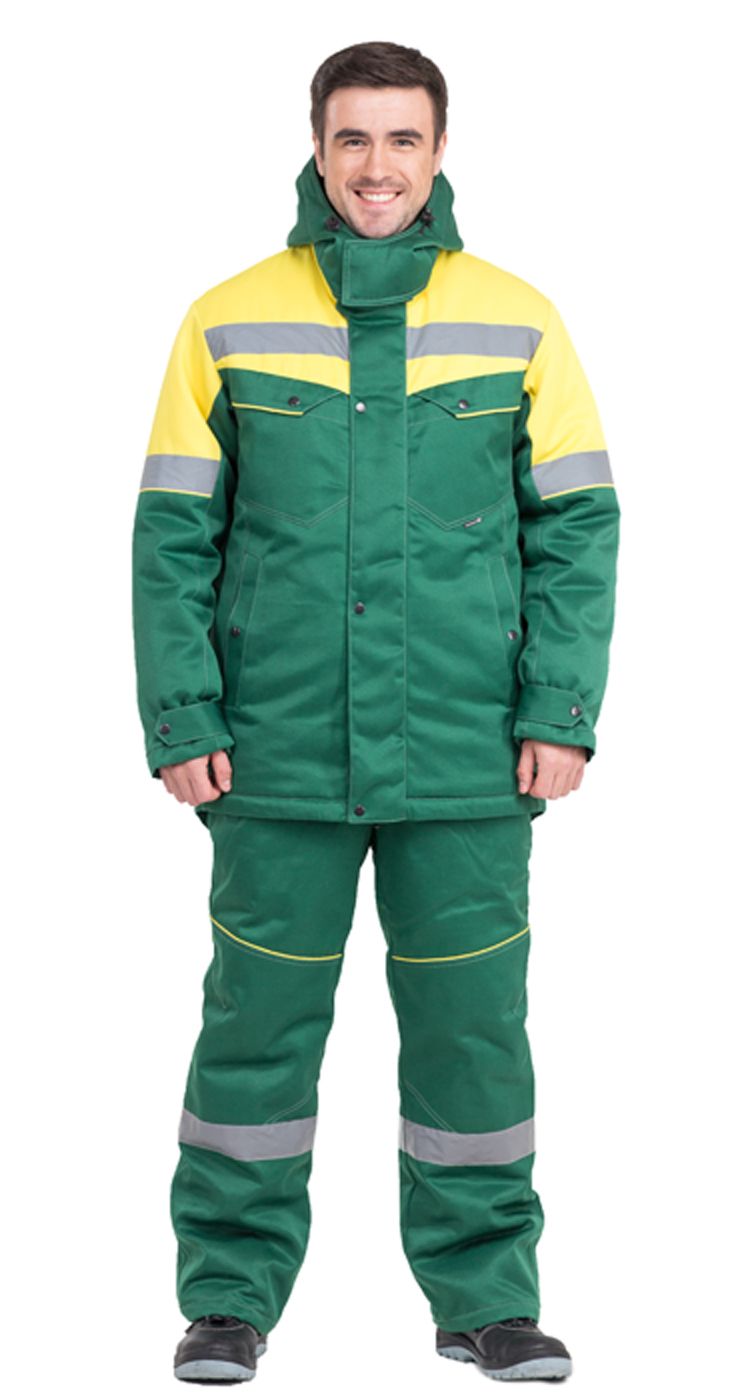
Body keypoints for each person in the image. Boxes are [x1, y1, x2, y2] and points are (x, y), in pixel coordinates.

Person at [132, 39, 619, 1386]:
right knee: (253, 1033)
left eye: (403, 139)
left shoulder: (519, 318)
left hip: (468, 751)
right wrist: (182, 714)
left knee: (473, 1041)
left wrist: (560, 707)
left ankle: (488, 1301)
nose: (377, 167)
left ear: (439, 151)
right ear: (316, 145)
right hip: (273, 751)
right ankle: (227, 1299)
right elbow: (171, 535)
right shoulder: (226, 317)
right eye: (353, 138)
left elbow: (578, 525)